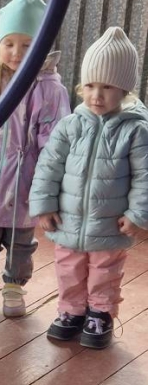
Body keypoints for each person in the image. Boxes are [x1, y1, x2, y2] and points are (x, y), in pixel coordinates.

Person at [29, 25, 148, 350]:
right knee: (68, 267)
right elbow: (49, 166)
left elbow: (144, 176)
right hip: (68, 220)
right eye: (90, 86)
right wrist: (44, 205)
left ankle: (100, 314)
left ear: (124, 90)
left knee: (104, 270)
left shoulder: (136, 131)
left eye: (107, 87)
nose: (97, 95)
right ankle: (71, 311)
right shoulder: (70, 125)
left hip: (109, 223)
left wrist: (137, 214)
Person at [0, 0, 69, 318]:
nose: (17, 52)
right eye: (9, 43)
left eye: (27, 44)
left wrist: (50, 190)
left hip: (25, 184)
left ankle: (13, 287)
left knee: (21, 243)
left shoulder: (50, 90)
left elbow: (55, 146)